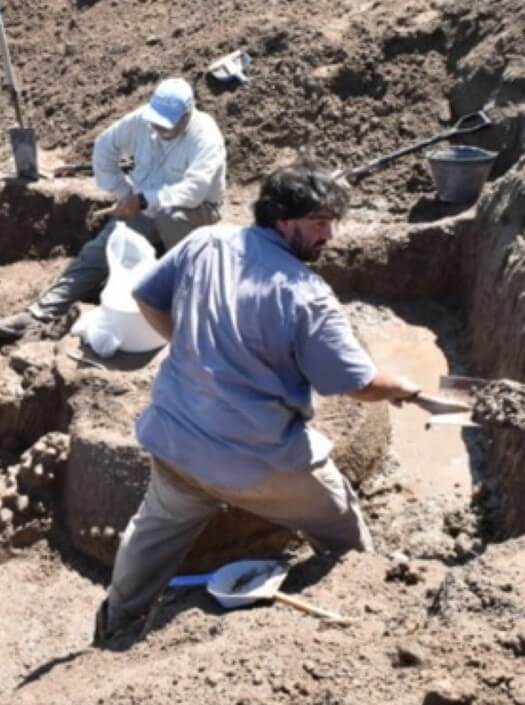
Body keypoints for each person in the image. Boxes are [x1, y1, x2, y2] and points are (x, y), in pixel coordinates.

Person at [93, 161, 421, 647]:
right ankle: (367, 608)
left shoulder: (207, 242)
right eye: (319, 221)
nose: (330, 234)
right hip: (261, 461)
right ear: (283, 220)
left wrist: (187, 344)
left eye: (333, 221)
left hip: (178, 440)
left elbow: (147, 295)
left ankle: (117, 620)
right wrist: (404, 388)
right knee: (342, 527)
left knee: (152, 533)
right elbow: (357, 383)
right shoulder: (306, 293)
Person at [0, 78, 225, 339]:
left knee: (170, 217)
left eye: (166, 124)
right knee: (99, 250)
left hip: (194, 212)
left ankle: (194, 293)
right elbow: (104, 147)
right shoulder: (142, 120)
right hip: (145, 207)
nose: (158, 128)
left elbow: (194, 191)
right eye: (156, 122)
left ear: (187, 116)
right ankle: (38, 314)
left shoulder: (206, 136)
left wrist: (143, 200)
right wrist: (123, 192)